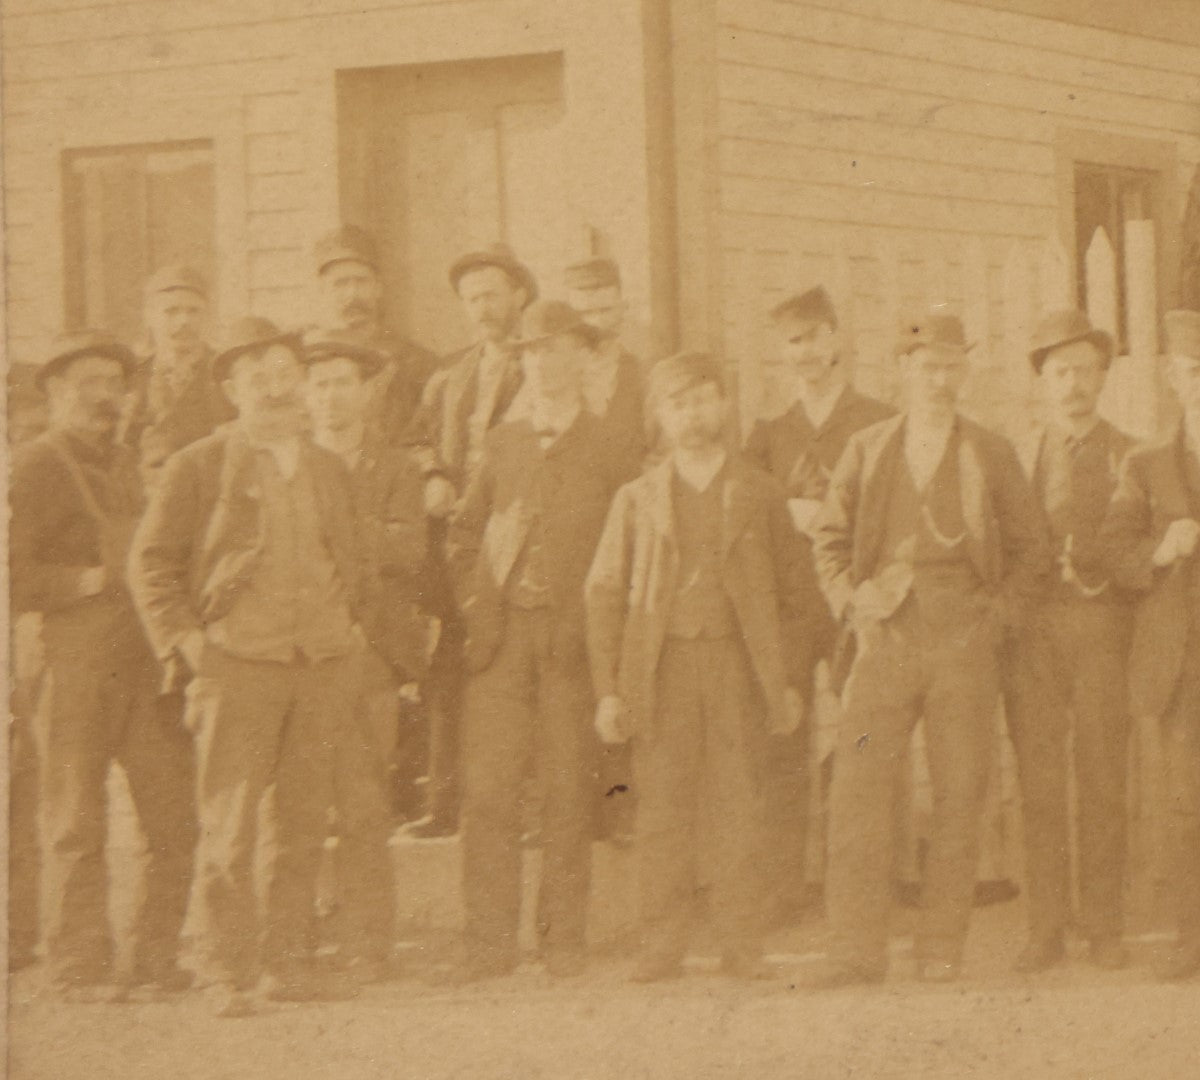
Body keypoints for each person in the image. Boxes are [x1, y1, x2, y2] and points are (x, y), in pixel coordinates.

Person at [129, 317, 363, 1017]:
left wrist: (348, 630)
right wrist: (188, 644)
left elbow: (354, 562)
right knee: (230, 825)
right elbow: (149, 562)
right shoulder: (199, 464)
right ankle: (223, 969)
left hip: (318, 663)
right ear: (231, 389)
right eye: (254, 376)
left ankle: (286, 962)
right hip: (238, 665)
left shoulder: (328, 467)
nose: (272, 387)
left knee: (299, 824)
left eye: (283, 372)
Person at [809, 312, 1048, 986]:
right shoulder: (868, 447)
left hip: (963, 644)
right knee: (857, 789)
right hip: (883, 640)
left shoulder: (991, 452)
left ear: (964, 371)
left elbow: (1033, 552)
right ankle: (854, 951)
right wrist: (850, 598)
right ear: (904, 371)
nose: (939, 380)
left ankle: (941, 945)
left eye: (951, 366)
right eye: (927, 367)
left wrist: (995, 618)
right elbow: (829, 538)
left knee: (959, 791)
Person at [585, 351, 812, 982]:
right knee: (662, 810)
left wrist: (787, 679)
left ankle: (743, 943)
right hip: (662, 673)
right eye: (679, 403)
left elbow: (798, 599)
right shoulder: (635, 500)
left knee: (740, 805)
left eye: (705, 398)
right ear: (660, 416)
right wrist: (608, 690)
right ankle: (661, 945)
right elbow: (603, 595)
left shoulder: (759, 493)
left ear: (725, 405)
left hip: (739, 669)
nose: (694, 414)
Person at [444, 300, 635, 980]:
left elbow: (629, 549)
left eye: (556, 348)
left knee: (564, 793)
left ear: (584, 357)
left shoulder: (613, 446)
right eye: (530, 351)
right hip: (501, 647)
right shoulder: (504, 441)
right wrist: (479, 607)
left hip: (571, 646)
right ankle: (489, 945)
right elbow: (464, 534)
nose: (543, 362)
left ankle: (562, 944)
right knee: (490, 791)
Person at [10, 329, 198, 1002]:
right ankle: (78, 968)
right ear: (57, 392)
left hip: (142, 664)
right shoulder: (34, 465)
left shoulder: (129, 464)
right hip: (73, 663)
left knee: (175, 816)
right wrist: (86, 582)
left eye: (113, 384)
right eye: (88, 383)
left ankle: (155, 958)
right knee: (75, 823)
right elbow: (12, 573)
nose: (104, 397)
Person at [743, 284, 894, 925]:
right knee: (782, 740)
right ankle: (781, 887)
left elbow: (889, 511)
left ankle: (853, 886)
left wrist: (827, 516)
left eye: (813, 337)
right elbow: (746, 513)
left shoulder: (876, 421)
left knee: (857, 741)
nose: (804, 353)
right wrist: (786, 511)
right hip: (786, 609)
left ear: (837, 339)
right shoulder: (769, 433)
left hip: (846, 604)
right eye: (792, 343)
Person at [1004, 309, 1136, 973]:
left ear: (1103, 378)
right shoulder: (1017, 455)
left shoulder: (1128, 454)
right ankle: (1045, 928)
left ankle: (1105, 926)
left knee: (1104, 777)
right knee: (1040, 780)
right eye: (1061, 372)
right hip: (1035, 635)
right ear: (1042, 382)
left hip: (1103, 630)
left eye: (1085, 371)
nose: (1073, 384)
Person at [301, 328, 435, 982]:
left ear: (367, 391)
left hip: (373, 656)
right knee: (296, 803)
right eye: (320, 384)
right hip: (300, 658)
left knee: (364, 801)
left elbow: (410, 549)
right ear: (306, 394)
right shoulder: (290, 464)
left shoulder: (398, 468)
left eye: (344, 384)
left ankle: (367, 942)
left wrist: (336, 537)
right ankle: (293, 939)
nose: (332, 399)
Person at [402, 242, 539, 838]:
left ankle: (529, 809)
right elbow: (416, 441)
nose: (483, 308)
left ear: (519, 296)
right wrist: (432, 473)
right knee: (451, 672)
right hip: (460, 550)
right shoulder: (448, 377)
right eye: (472, 298)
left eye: (493, 294)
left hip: (522, 544)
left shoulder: (540, 367)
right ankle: (444, 806)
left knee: (523, 669)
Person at [1101, 308, 1200, 982]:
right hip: (1182, 660)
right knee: (1186, 798)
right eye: (1195, 371)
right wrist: (1160, 549)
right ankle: (1193, 939)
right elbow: (1113, 548)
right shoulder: (1144, 463)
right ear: (1172, 377)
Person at [564, 255, 649, 843]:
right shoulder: (552, 380)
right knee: (567, 684)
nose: (595, 321)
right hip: (567, 549)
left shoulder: (643, 379)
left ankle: (620, 810)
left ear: (622, 308)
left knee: (616, 675)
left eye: (604, 307)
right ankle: (572, 814)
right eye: (583, 311)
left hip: (620, 549)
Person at [311, 225, 439, 445]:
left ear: (378, 288)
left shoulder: (415, 363)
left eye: (361, 282)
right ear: (322, 290)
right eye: (340, 284)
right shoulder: (304, 360)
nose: (353, 294)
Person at [123, 265, 236, 481]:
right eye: (171, 311)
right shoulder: (134, 378)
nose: (184, 321)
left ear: (207, 315)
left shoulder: (226, 372)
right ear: (150, 317)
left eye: (193, 311)